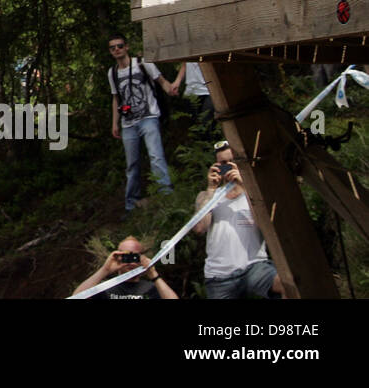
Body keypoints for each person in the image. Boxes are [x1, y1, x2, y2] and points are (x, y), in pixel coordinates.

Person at [193, 142, 284, 299]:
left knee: (287, 285)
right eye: (223, 164)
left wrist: (246, 186)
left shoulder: (257, 193)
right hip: (219, 275)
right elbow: (200, 228)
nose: (228, 167)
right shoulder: (206, 196)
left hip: (254, 267)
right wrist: (211, 189)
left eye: (232, 161)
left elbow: (267, 226)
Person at [107, 35, 174, 212]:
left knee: (156, 156)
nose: (117, 50)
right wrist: (115, 123)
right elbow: (116, 98)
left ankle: (166, 195)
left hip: (148, 117)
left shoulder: (143, 64)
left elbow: (161, 81)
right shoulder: (112, 73)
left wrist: (171, 88)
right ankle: (131, 205)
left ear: (126, 47)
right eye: (113, 47)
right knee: (132, 164)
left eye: (119, 46)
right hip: (128, 123)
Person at [72, 236, 177, 299]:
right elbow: (76, 297)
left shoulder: (151, 288)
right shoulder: (105, 288)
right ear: (118, 257)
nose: (131, 262)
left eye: (135, 257)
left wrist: (153, 274)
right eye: (126, 256)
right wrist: (105, 270)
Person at [170, 60, 214, 134]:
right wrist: (177, 81)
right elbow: (185, 63)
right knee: (193, 125)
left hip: (208, 90)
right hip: (191, 90)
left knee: (206, 122)